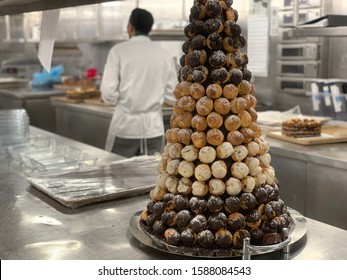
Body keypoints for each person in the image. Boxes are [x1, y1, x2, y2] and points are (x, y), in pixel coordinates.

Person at [100, 8, 176, 158]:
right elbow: (173, 96)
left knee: (118, 177)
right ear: (150, 28)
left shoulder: (118, 51)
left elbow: (108, 94)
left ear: (130, 26)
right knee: (149, 178)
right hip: (153, 130)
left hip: (125, 128)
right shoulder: (164, 55)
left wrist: (119, 100)